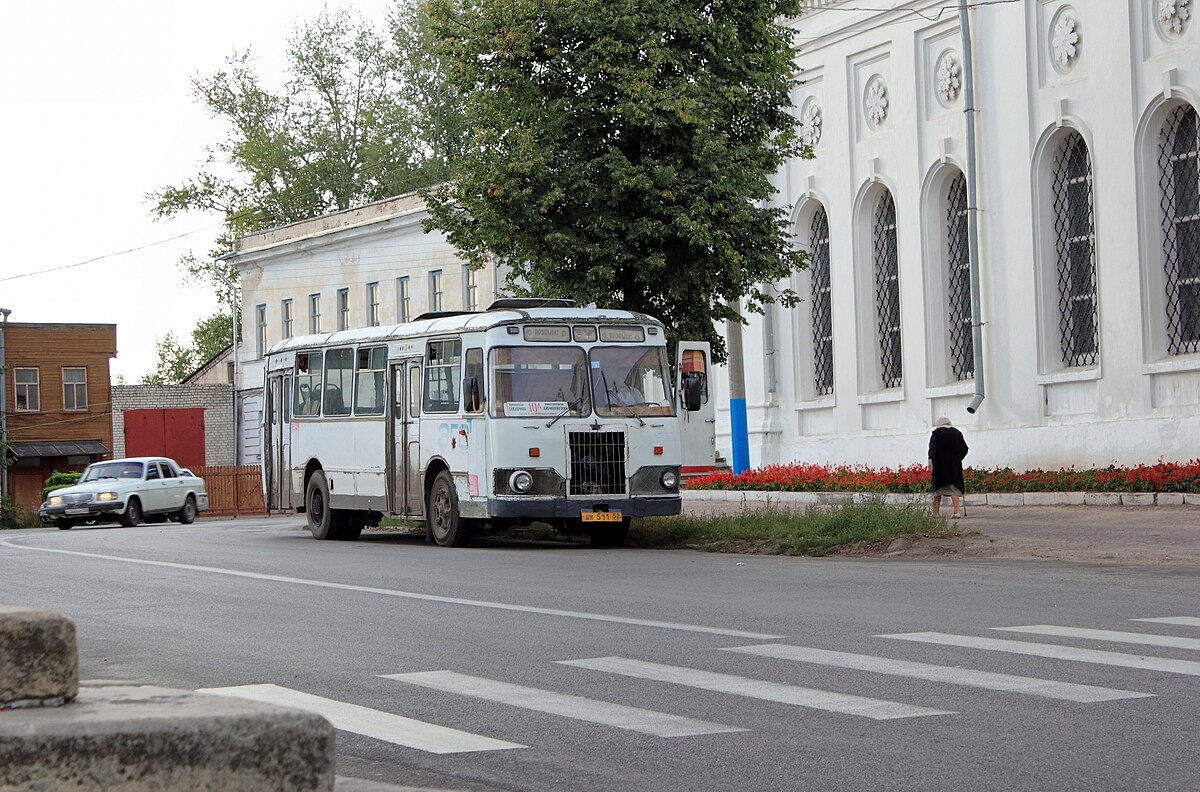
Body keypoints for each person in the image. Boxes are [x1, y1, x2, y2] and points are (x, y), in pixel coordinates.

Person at [928, 416, 969, 518]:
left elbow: (932, 448)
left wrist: (930, 460)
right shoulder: (957, 433)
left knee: (938, 489)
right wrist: (958, 458)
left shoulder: (936, 433)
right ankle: (957, 512)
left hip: (940, 465)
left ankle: (936, 513)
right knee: (954, 488)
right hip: (954, 465)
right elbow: (964, 448)